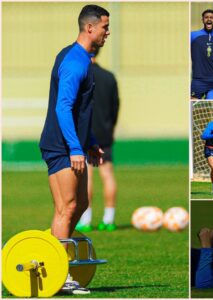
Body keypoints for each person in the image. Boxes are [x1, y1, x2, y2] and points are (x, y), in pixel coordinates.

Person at [39, 4, 110, 294]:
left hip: (75, 145)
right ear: (90, 28)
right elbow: (63, 106)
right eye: (105, 27)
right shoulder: (74, 61)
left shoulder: (84, 59)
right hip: (61, 146)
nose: (108, 33)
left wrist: (89, 142)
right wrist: (74, 148)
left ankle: (57, 261)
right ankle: (59, 272)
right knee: (66, 207)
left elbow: (82, 110)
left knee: (79, 205)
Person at [76, 49, 120, 232]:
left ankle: (86, 220)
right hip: (104, 133)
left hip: (85, 133)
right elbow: (115, 106)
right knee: (107, 174)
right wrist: (110, 127)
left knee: (87, 177)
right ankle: (108, 219)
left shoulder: (80, 76)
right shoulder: (109, 77)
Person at [191, 9, 213, 99]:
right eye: (206, 17)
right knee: (191, 103)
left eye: (211, 17)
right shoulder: (193, 35)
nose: (209, 19)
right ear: (202, 20)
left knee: (212, 105)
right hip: (198, 80)